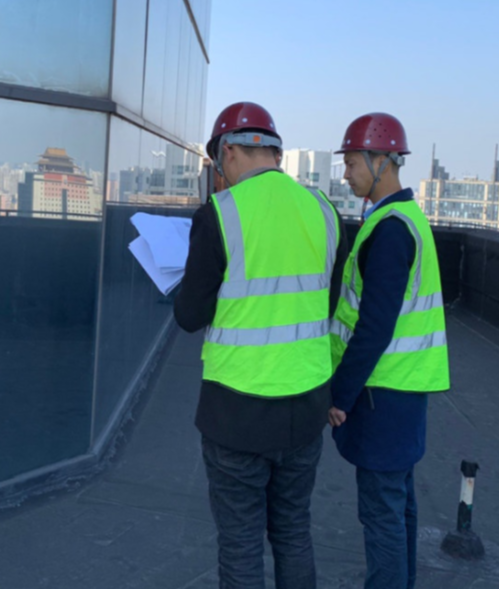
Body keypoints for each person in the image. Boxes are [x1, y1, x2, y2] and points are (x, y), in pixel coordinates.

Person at [174, 101, 348, 589]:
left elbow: (190, 316)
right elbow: (326, 303)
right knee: (293, 532)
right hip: (306, 407)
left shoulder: (220, 214)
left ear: (228, 153)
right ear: (274, 153)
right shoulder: (325, 211)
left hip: (236, 412)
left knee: (241, 543)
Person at [328, 113, 451, 589]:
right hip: (405, 390)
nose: (346, 173)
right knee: (399, 507)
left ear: (382, 161)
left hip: (382, 393)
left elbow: (374, 326)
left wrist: (340, 395)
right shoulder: (406, 219)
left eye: (352, 162)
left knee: (382, 513)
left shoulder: (390, 230)